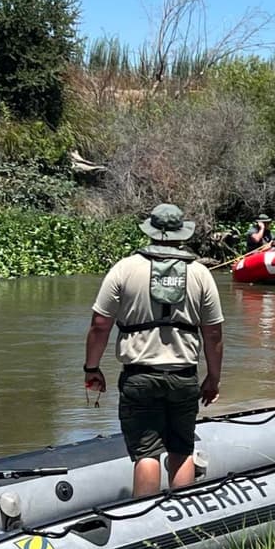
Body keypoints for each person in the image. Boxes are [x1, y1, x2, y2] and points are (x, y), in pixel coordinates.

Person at [83, 204, 224, 497]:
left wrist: (92, 369)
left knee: (146, 452)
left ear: (150, 231)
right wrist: (213, 378)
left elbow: (99, 325)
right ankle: (181, 513)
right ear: (180, 235)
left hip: (139, 378)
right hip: (184, 376)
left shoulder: (125, 268)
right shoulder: (200, 273)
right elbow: (213, 333)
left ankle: (144, 517)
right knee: (181, 449)